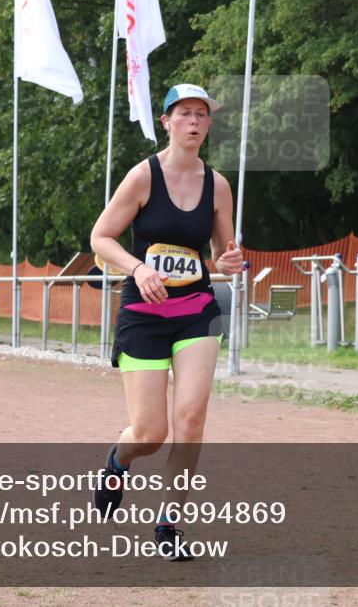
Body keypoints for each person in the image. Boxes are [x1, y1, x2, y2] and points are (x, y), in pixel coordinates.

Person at [89, 84, 243, 561]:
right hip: (144, 314)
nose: (194, 122)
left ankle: (170, 523)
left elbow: (219, 256)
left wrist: (230, 262)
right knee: (150, 433)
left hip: (197, 309)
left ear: (209, 126)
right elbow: (100, 238)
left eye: (202, 115)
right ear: (166, 122)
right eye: (185, 114)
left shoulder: (217, 185)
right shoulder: (142, 176)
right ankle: (117, 461)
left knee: (191, 418)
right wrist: (137, 268)